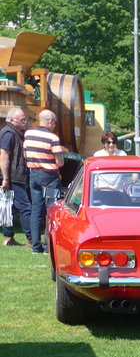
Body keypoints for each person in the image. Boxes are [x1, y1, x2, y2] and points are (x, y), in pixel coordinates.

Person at [24, 109, 65, 254]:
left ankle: (36, 246)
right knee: (50, 210)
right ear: (49, 121)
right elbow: (59, 162)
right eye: (54, 122)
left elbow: (25, 154)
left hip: (34, 175)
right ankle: (48, 246)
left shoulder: (28, 135)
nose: (54, 125)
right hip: (49, 177)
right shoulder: (53, 138)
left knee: (36, 210)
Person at [0, 107, 31, 247]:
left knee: (8, 208)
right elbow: (4, 155)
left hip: (14, 176)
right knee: (25, 207)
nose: (25, 122)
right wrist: (5, 178)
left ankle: (8, 237)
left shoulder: (17, 132)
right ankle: (31, 239)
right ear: (12, 120)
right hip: (13, 177)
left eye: (25, 119)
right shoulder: (9, 133)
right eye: (22, 119)